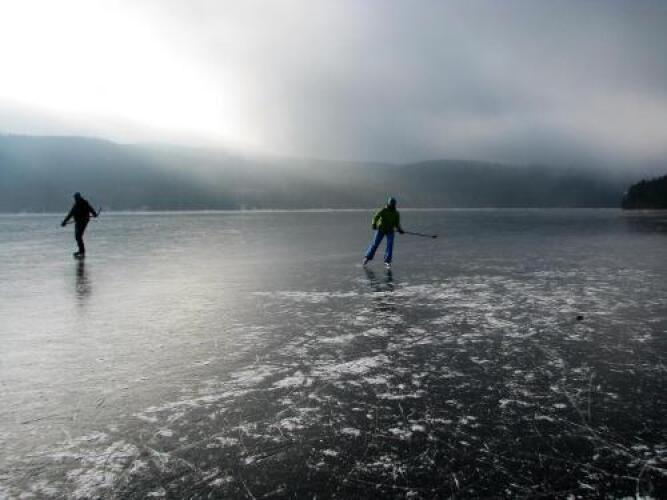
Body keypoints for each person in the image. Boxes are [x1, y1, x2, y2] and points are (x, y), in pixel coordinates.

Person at [363, 196, 404, 268]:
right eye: (391, 204)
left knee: (390, 245)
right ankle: (367, 258)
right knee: (375, 244)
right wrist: (374, 224)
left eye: (393, 204)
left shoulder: (396, 213)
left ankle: (387, 261)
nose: (392, 205)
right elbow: (376, 217)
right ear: (388, 203)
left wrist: (400, 229)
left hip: (390, 231)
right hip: (381, 230)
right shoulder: (383, 210)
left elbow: (397, 223)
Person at [61, 192, 98, 258]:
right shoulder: (75, 205)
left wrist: (94, 214)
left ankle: (82, 251)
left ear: (79, 197)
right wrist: (64, 222)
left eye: (76, 198)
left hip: (83, 221)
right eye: (75, 198)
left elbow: (90, 209)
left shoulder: (84, 203)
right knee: (77, 236)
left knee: (78, 236)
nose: (75, 199)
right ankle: (81, 250)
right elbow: (70, 214)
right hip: (78, 222)